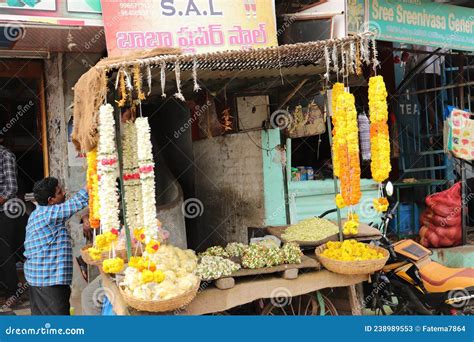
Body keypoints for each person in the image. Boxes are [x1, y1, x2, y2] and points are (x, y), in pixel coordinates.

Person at [24, 177, 88, 315]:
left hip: (39, 279)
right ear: (50, 200)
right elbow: (77, 202)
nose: (63, 193)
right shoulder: (48, 214)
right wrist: (94, 177)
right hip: (48, 281)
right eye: (59, 192)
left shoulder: (39, 213)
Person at [0, 138, 20, 306]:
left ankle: (12, 293)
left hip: (4, 211)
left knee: (4, 252)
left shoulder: (5, 155)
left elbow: (11, 188)